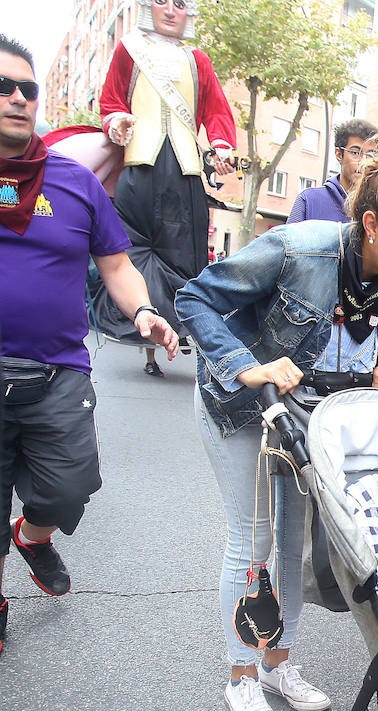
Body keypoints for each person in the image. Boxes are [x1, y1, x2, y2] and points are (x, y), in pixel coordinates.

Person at [176, 128, 378, 711]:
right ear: (371, 224)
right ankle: (241, 675)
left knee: (296, 541)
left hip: (304, 422)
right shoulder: (299, 250)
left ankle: (277, 665)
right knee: (254, 538)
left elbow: (364, 341)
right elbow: (194, 300)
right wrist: (248, 366)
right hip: (241, 408)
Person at [0, 35, 179, 656]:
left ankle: (34, 532)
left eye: (28, 89)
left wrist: (147, 311)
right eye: (5, 87)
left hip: (57, 373)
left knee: (70, 486)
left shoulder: (75, 182)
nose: (19, 98)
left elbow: (117, 265)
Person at [94, 0, 236, 378]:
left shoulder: (198, 60)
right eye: (162, 1)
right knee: (130, 247)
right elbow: (110, 100)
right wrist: (116, 121)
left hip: (185, 169)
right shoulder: (129, 49)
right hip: (139, 164)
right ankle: (135, 328)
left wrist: (221, 145)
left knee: (183, 255)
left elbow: (217, 112)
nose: (170, 11)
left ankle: (185, 329)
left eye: (179, 4)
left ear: (188, 11)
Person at [286, 118, 378, 224]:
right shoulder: (309, 201)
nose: (363, 162)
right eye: (355, 153)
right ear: (339, 154)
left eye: (370, 155)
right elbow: (288, 240)